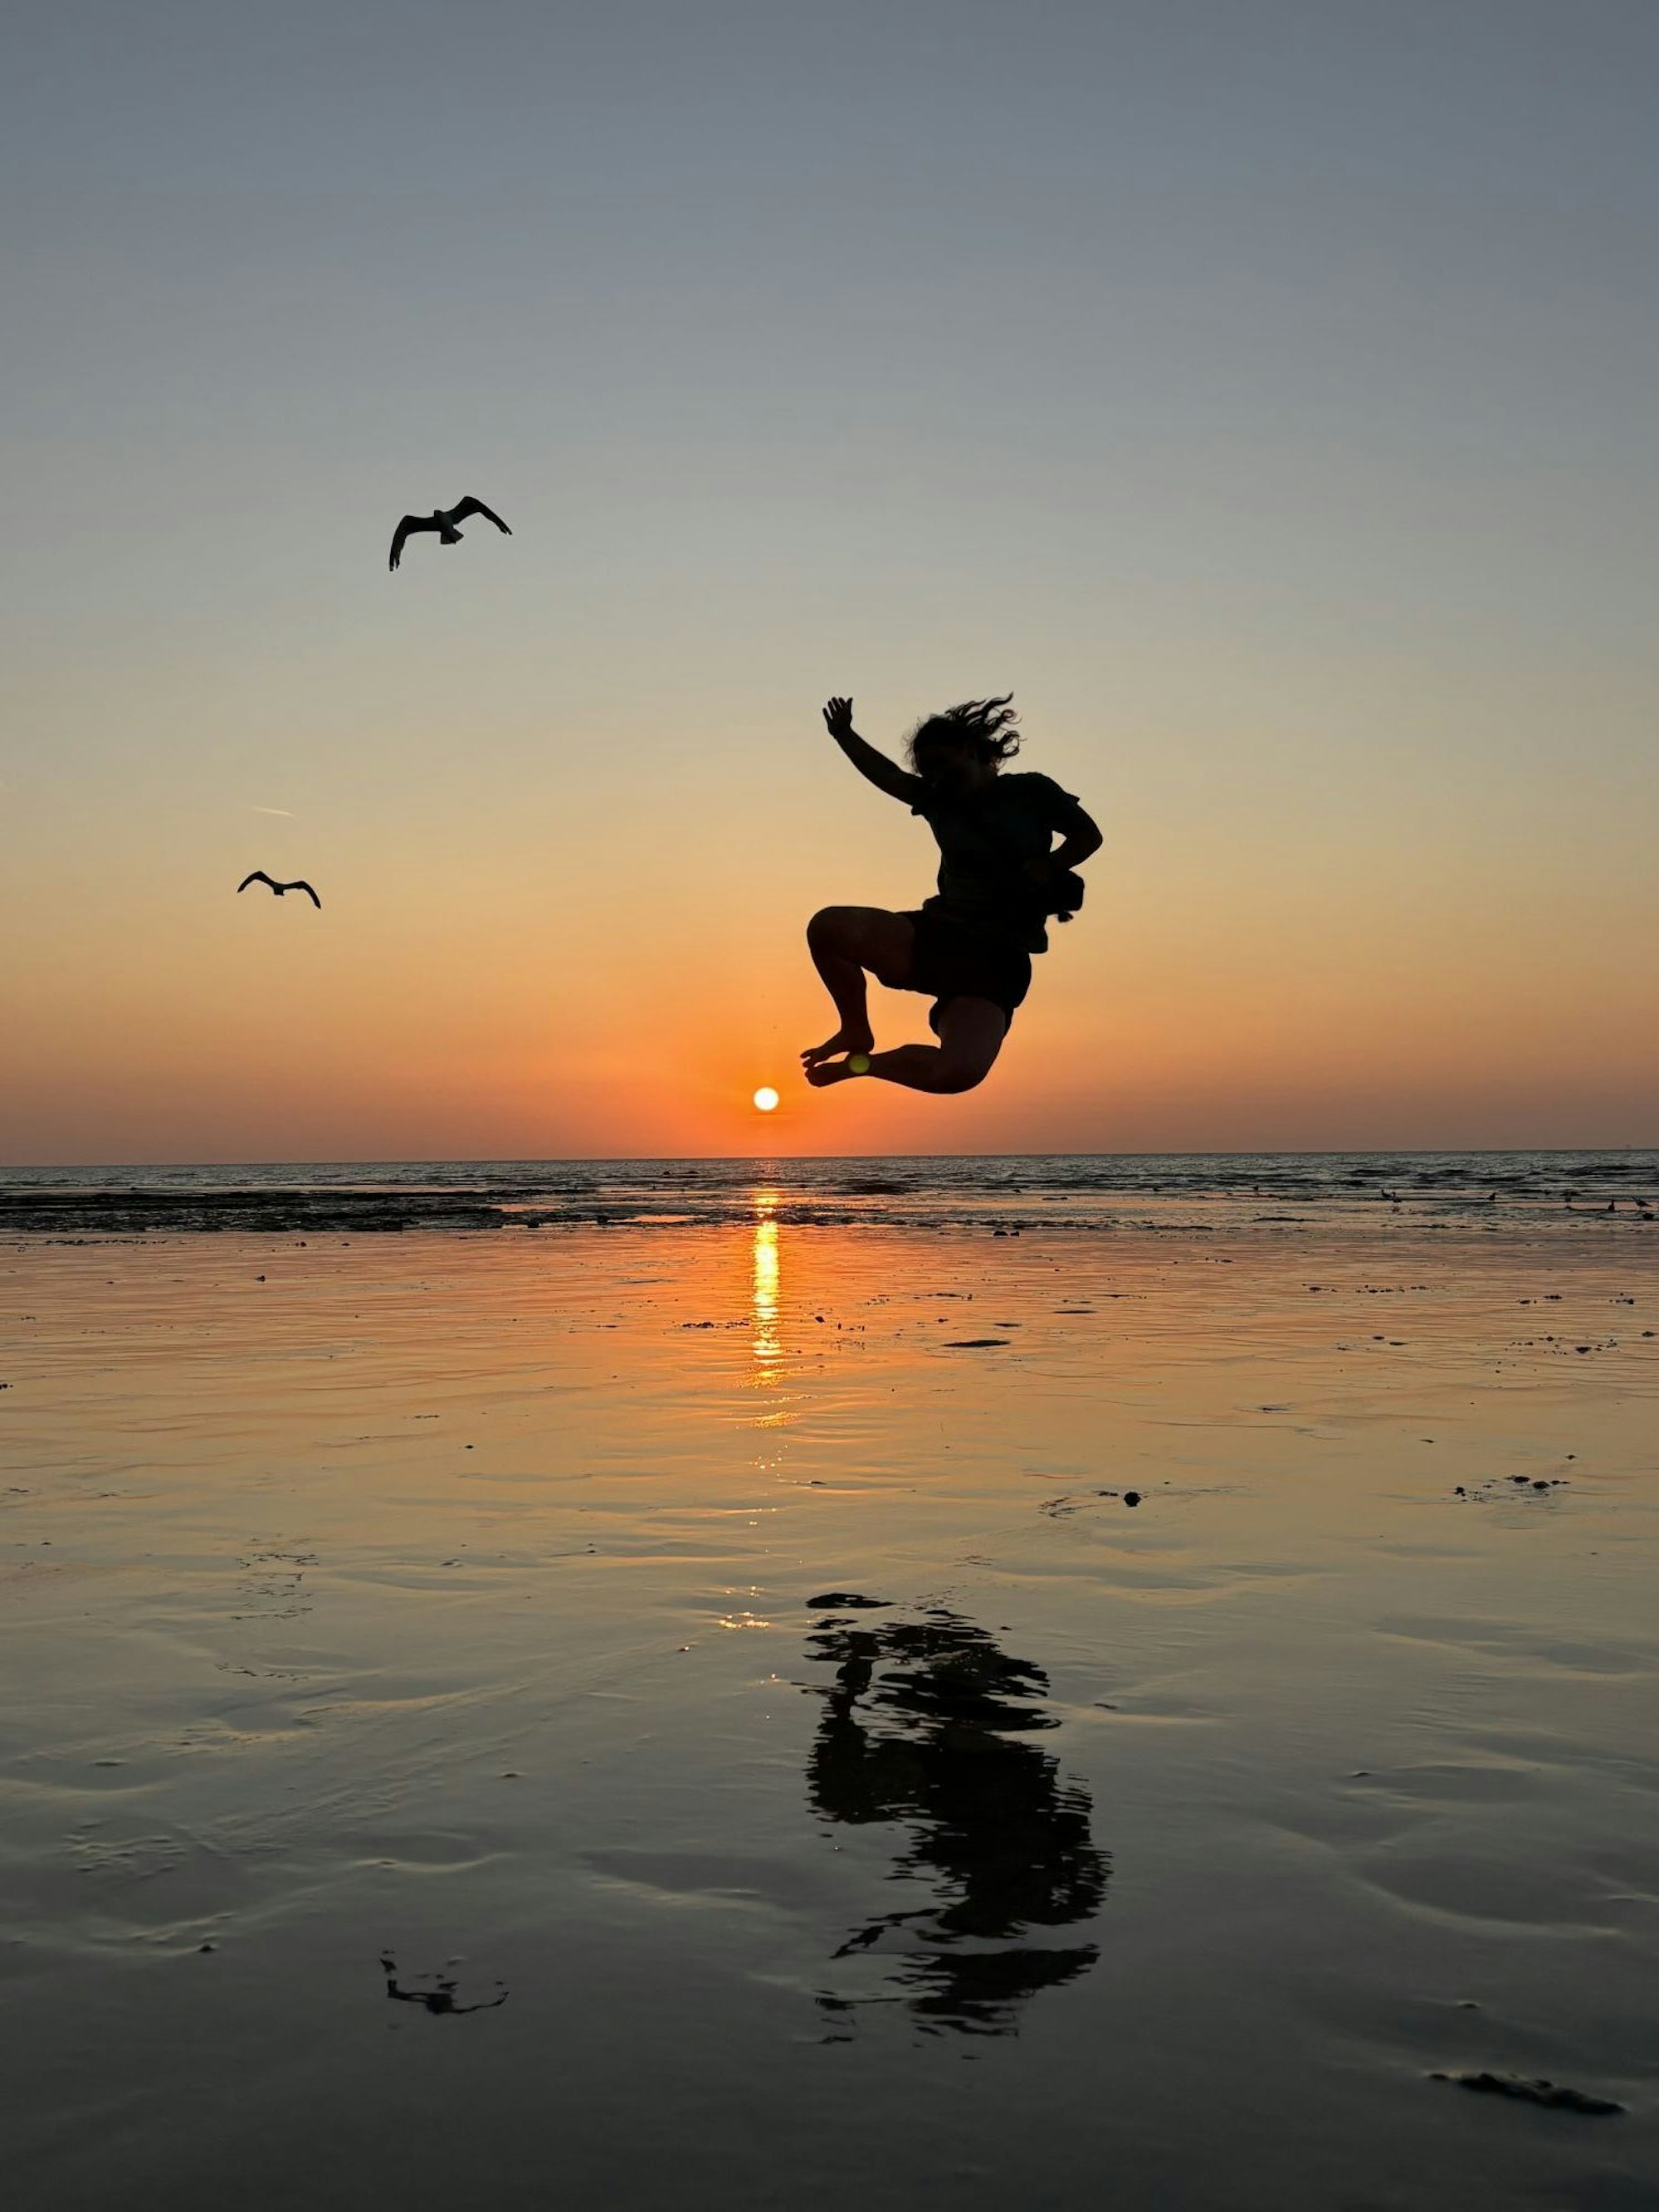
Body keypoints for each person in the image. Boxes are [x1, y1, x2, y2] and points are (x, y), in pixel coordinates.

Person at [802, 694, 1101, 1093]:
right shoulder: (937, 800)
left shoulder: (1031, 791)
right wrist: (844, 735)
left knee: (958, 1072)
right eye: (929, 773)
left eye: (944, 766)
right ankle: (855, 1029)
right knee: (827, 927)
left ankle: (860, 1065)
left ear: (969, 749)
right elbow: (888, 776)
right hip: (940, 934)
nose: (938, 779)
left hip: (997, 960)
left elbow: (1088, 835)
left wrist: (1051, 864)